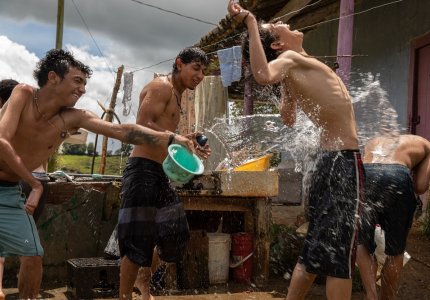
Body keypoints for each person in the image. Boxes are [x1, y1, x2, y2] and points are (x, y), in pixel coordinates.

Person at [0, 49, 195, 300]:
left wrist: (170, 138)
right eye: (77, 81)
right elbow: (2, 141)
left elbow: (122, 131)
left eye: (85, 84)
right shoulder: (24, 94)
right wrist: (34, 185)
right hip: (20, 186)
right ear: (53, 77)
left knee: (33, 253)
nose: (82, 89)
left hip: (8, 191)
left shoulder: (74, 117)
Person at [227, 1, 363, 299]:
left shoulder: (294, 65)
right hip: (342, 162)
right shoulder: (289, 57)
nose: (287, 23)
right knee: (340, 256)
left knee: (317, 247)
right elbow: (263, 75)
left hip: (329, 162)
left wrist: (288, 93)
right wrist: (251, 22)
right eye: (279, 26)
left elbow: (288, 118)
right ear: (277, 43)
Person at [118, 47, 210, 300]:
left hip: (160, 173)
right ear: (179, 64)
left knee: (175, 233)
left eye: (203, 71)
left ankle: (142, 278)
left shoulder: (178, 96)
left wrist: (186, 140)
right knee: (136, 241)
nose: (200, 75)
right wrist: (175, 137)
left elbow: (163, 133)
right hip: (141, 172)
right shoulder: (161, 87)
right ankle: (125, 295)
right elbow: (140, 125)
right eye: (196, 68)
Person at [357, 134, 430, 300]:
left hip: (367, 174)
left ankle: (370, 294)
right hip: (397, 175)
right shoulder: (426, 145)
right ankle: (387, 298)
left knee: (363, 241)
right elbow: (420, 186)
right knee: (395, 250)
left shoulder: (374, 140)